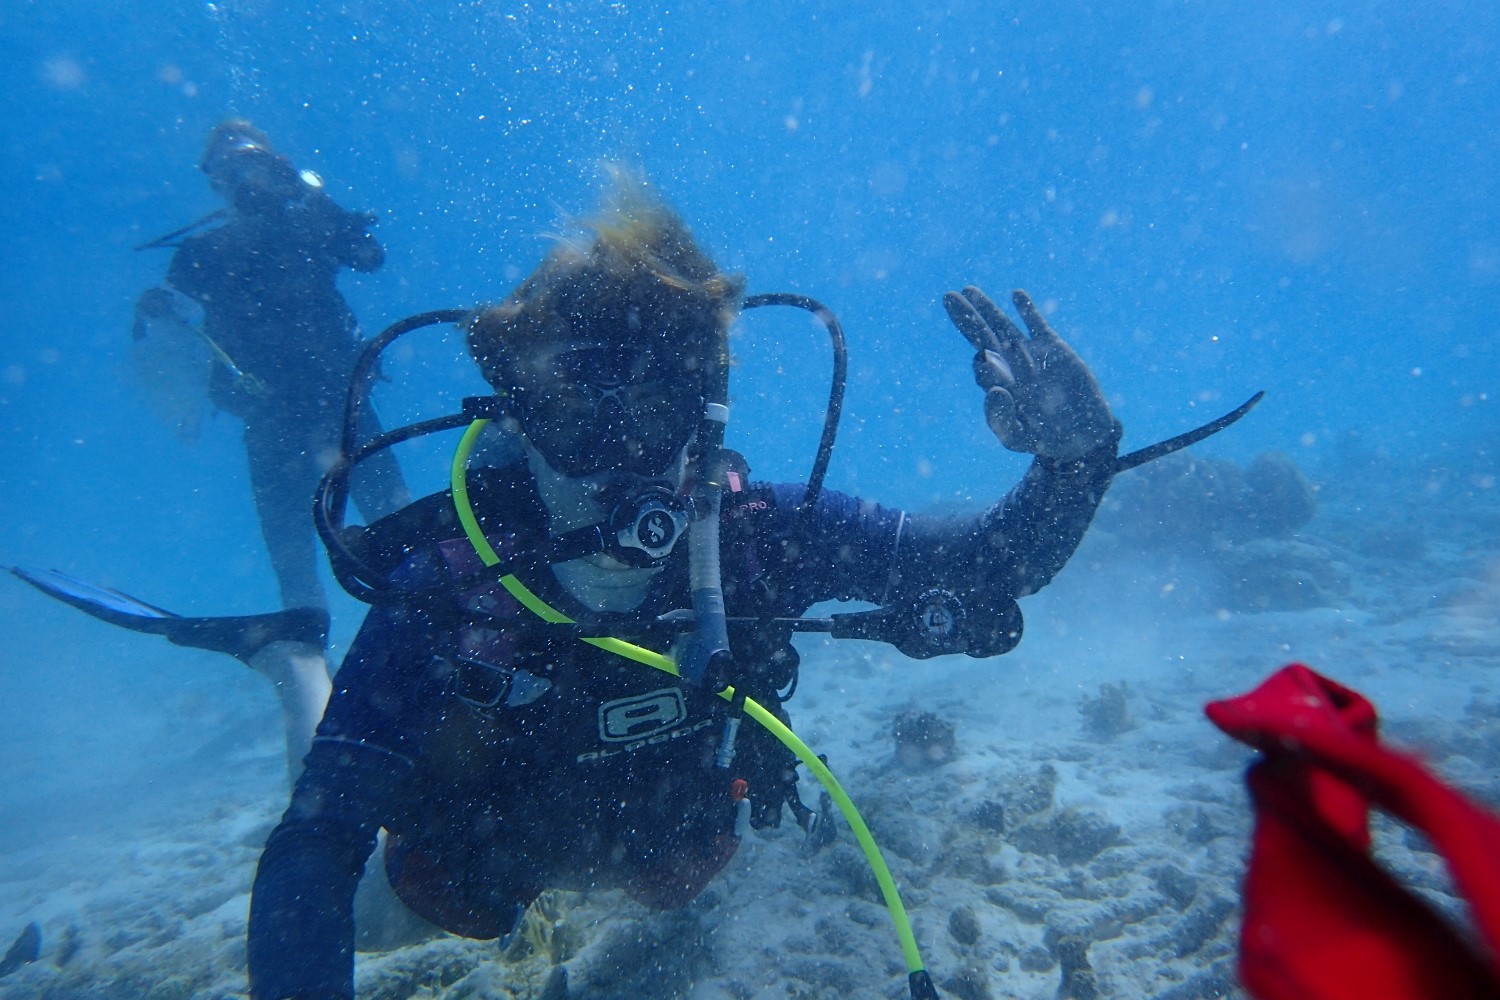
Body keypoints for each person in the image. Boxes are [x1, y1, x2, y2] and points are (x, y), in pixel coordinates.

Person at [245, 172, 1124, 1000]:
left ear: (704, 415)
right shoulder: (451, 588)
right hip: (480, 857)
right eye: (572, 417)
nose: (616, 467)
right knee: (392, 914)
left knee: (685, 881)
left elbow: (988, 566)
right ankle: (294, 665)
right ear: (515, 416)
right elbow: (318, 840)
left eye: (653, 415)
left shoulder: (757, 539)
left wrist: (1075, 462)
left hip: (661, 844)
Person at [129, 119, 412, 771]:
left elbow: (370, 257)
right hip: (273, 426)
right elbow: (165, 327)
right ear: (217, 185)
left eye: (258, 168)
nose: (247, 184)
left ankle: (435, 672)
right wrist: (156, 309)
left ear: (279, 167)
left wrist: (321, 206)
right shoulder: (199, 255)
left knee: (406, 540)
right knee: (295, 572)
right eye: (231, 174)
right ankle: (315, 722)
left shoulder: (309, 221)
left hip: (346, 415)